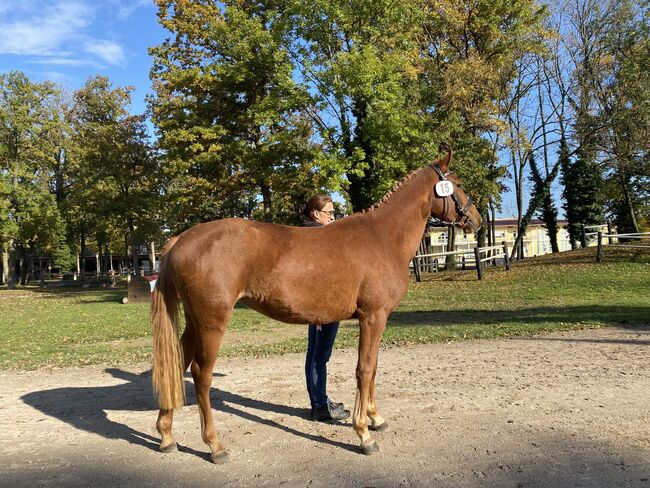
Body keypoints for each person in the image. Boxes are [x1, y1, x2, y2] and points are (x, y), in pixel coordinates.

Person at [303, 194, 351, 422]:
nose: (333, 218)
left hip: (319, 304)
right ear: (315, 214)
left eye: (333, 213)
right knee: (319, 356)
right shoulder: (319, 236)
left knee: (314, 353)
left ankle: (318, 401)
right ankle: (320, 405)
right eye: (329, 213)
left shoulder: (310, 234)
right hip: (326, 305)